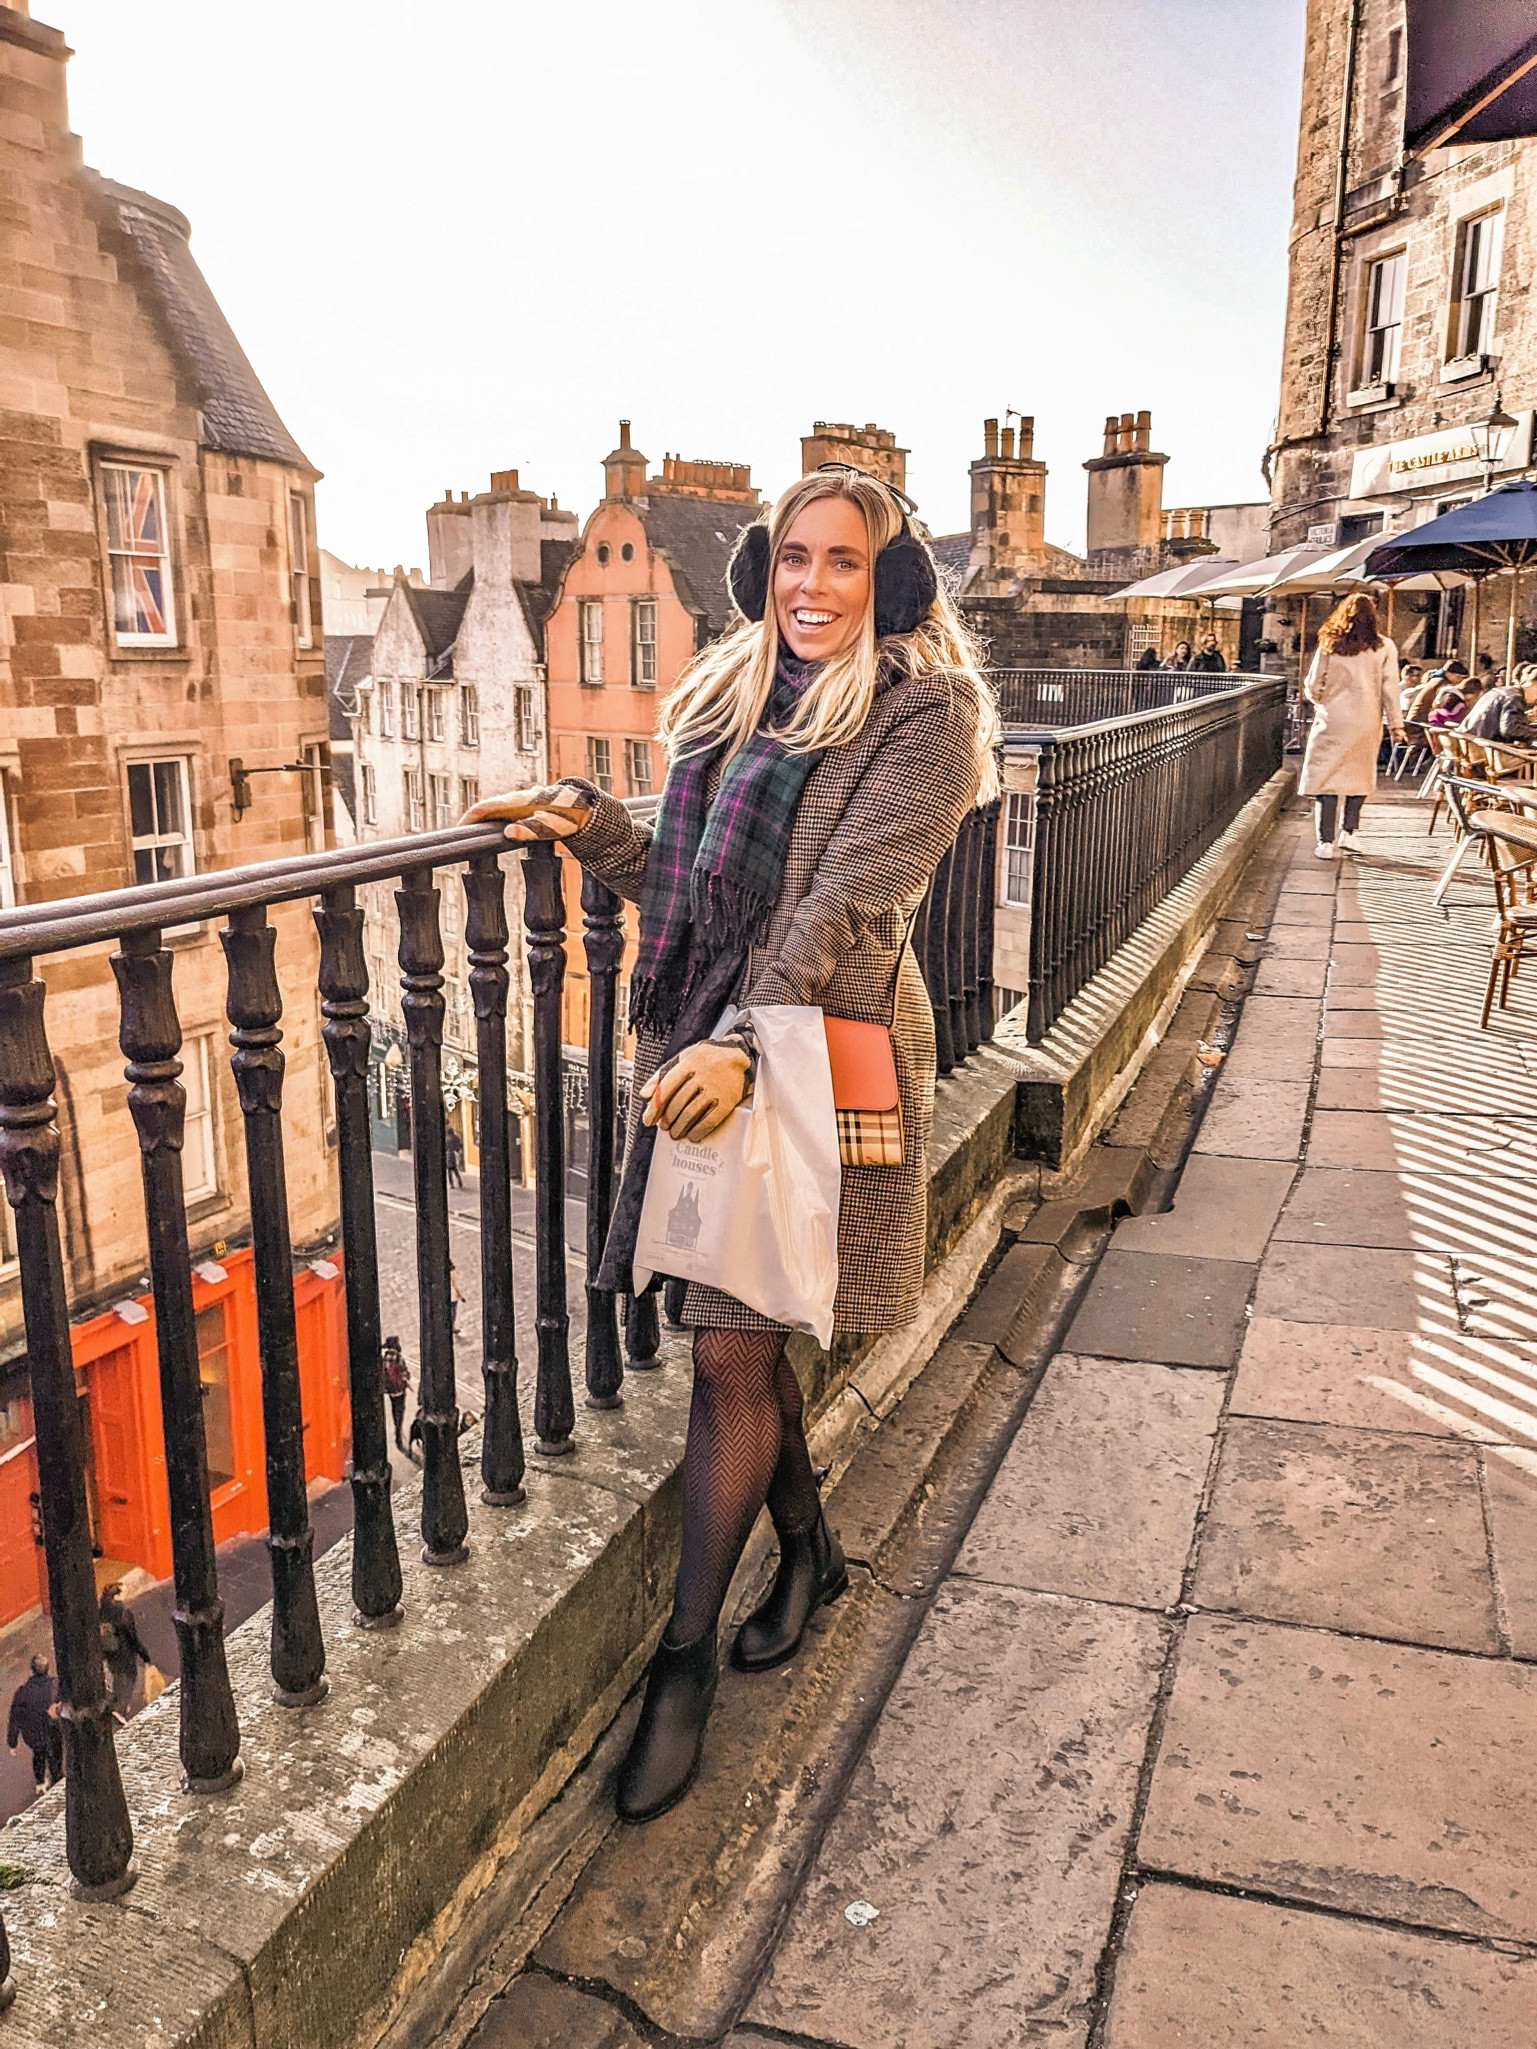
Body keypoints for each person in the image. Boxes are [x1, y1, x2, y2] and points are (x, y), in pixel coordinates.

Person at [466, 466, 997, 1824]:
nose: (812, 584)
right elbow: (693, 883)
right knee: (739, 1332)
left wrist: (746, 1044)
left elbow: (841, 903)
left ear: (891, 583)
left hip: (812, 1050)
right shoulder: (734, 698)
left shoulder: (925, 714)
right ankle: (808, 1551)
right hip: (709, 1043)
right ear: (765, 569)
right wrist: (585, 819)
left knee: (727, 1350)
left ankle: (683, 1663)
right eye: (794, 557)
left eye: (844, 561)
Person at [1299, 590, 1405, 857]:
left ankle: (1325, 841)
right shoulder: (1384, 647)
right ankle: (1349, 832)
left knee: (1327, 776)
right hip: (1366, 719)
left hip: (1333, 718)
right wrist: (1396, 724)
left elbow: (1313, 683)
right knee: (1360, 775)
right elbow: (1390, 688)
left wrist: (1322, 699)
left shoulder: (1330, 643)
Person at [7, 1653, 62, 1792]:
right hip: (52, 1731)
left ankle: (40, 1782)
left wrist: (12, 1742)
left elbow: (15, 1718)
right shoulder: (55, 1685)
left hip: (33, 1735)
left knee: (38, 1755)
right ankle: (58, 1781)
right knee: (55, 1755)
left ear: (31, 1671)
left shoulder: (22, 1692)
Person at [99, 1582, 149, 1720]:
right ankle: (120, 1709)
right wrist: (144, 1654)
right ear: (117, 1595)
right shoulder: (123, 1612)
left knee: (117, 1676)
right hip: (124, 1652)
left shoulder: (102, 1610)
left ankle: (115, 1701)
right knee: (129, 1677)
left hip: (110, 1652)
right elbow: (132, 1636)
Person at [1460, 661, 1537, 743]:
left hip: (1471, 741)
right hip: (1481, 745)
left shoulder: (1501, 691)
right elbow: (1511, 729)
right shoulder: (1514, 698)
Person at [381, 1334, 410, 1451]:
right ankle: (398, 1429)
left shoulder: (385, 1357)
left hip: (390, 1389)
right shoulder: (398, 1357)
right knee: (400, 1408)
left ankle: (396, 1425)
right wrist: (406, 1379)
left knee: (394, 1408)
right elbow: (404, 1372)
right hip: (399, 1388)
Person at [445, 1123, 465, 1189]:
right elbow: (459, 1146)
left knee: (449, 1171)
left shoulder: (447, 1139)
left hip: (449, 1155)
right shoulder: (456, 1137)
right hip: (455, 1154)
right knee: (455, 1169)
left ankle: (452, 1184)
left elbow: (445, 1147)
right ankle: (460, 1181)